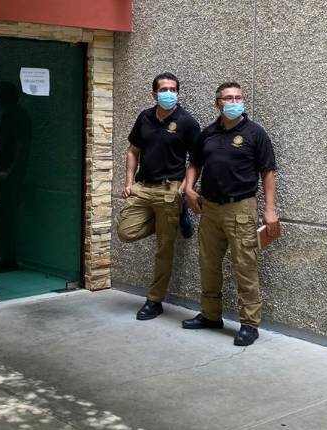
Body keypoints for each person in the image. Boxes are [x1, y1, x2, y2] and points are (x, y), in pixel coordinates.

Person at [182, 82, 280, 346]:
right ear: (218, 103)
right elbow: (195, 163)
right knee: (208, 264)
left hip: (241, 209)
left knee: (245, 266)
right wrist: (189, 189)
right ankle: (211, 315)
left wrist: (270, 210)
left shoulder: (255, 133)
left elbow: (268, 172)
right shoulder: (208, 133)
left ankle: (250, 324)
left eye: (238, 97)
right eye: (228, 98)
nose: (234, 101)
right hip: (209, 209)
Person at [117, 72, 201, 320]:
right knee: (125, 231)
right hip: (143, 188)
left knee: (164, 248)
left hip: (169, 189)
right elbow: (133, 151)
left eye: (173, 89)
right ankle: (177, 215)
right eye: (164, 89)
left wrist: (186, 187)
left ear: (178, 93)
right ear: (154, 93)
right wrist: (129, 182)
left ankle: (154, 300)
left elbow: (196, 159)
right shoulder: (144, 117)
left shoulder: (186, 122)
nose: (168, 93)